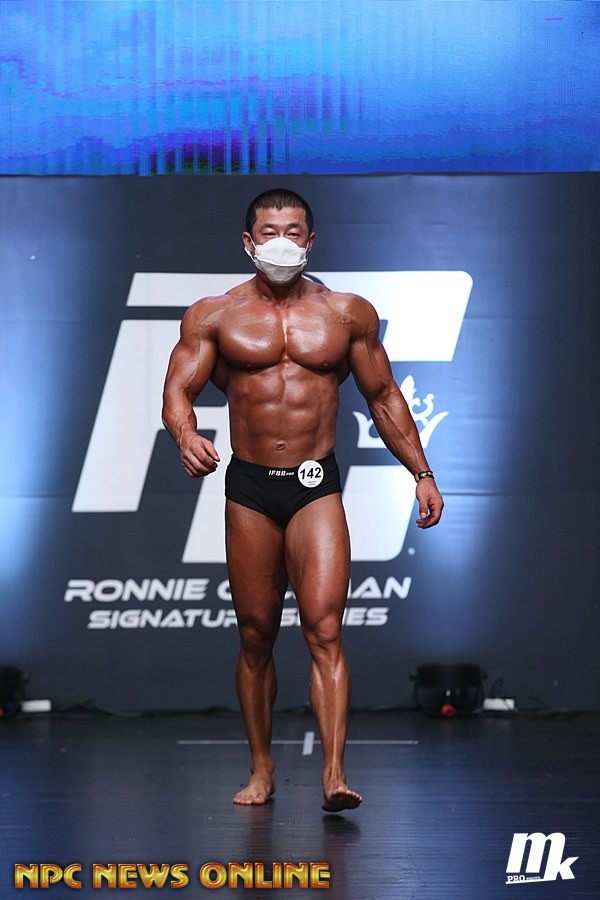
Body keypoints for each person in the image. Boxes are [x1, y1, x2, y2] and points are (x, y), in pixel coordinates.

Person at [162, 188, 443, 811]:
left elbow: (384, 397)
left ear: (310, 241)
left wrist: (421, 472)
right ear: (249, 241)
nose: (281, 242)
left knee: (325, 629)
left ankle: (334, 774)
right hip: (250, 488)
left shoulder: (346, 314)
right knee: (255, 633)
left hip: (316, 486)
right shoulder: (214, 315)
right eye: (269, 231)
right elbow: (177, 390)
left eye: (293, 231)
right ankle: (261, 768)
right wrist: (185, 435)